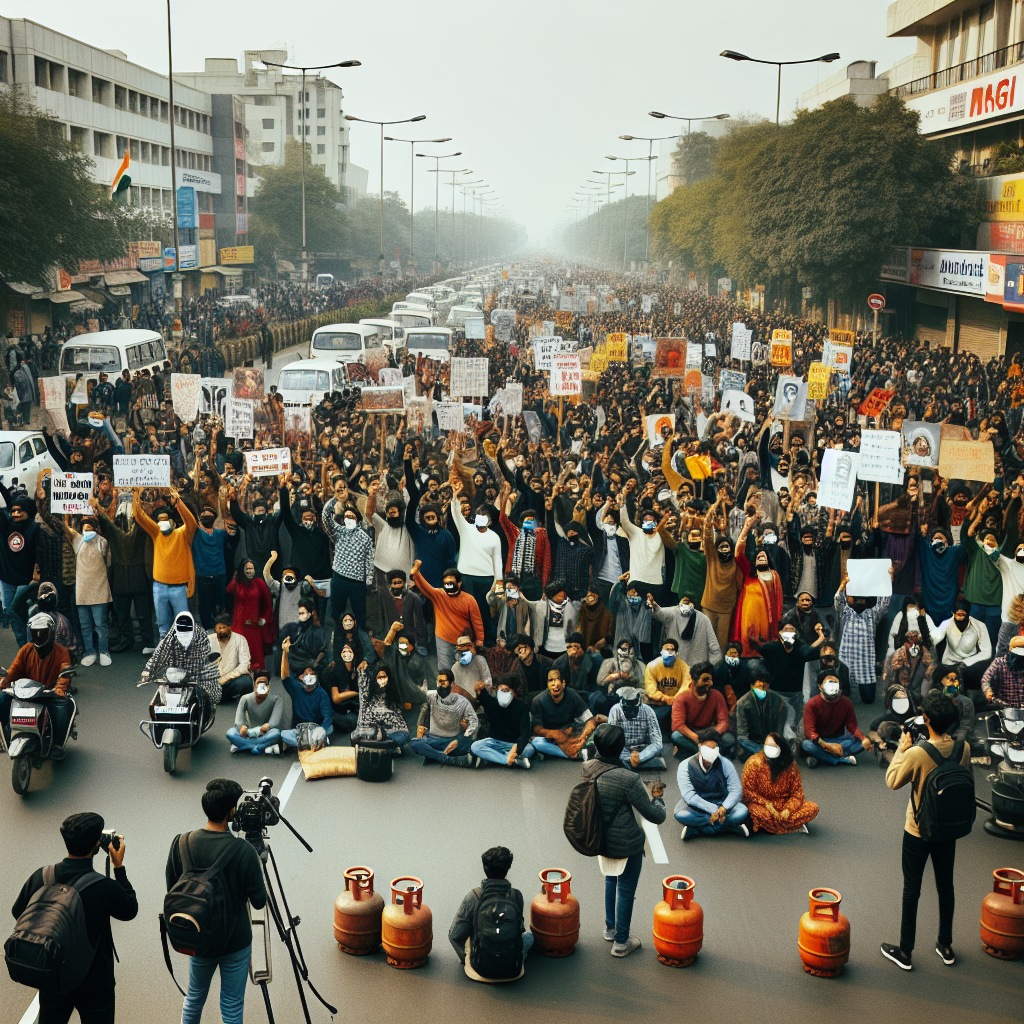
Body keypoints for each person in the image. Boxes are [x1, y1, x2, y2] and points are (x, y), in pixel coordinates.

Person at [12, 812, 137, 1024]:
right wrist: (119, 867)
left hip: (54, 974)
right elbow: (129, 910)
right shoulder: (104, 887)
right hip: (97, 983)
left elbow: (19, 912)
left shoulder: (42, 876)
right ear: (97, 845)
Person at [880, 691, 971, 971]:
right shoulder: (962, 747)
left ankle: (905, 951)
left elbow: (892, 780)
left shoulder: (919, 752)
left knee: (912, 889)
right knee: (946, 886)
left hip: (918, 829)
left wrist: (903, 748)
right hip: (948, 828)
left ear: (927, 719)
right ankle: (945, 944)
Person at [165, 779, 268, 1024]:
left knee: (194, 999)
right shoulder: (244, 851)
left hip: (199, 937)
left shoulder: (182, 842)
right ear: (231, 812)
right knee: (231, 1007)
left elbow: (173, 887)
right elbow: (259, 902)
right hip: (235, 941)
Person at [583, 723, 666, 957]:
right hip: (626, 844)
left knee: (611, 881)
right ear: (620, 748)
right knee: (626, 890)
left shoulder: (588, 767)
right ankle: (621, 942)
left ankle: (610, 928)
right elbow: (654, 816)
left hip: (601, 839)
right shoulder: (627, 778)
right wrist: (658, 799)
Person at [448, 846, 533, 982]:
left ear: (484, 868)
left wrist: (466, 960)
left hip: (479, 970)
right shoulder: (516, 895)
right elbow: (519, 930)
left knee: (471, 937)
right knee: (530, 937)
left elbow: (455, 935)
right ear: (508, 868)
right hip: (513, 971)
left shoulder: (474, 896)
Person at [133, 487, 197, 639]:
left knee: (184, 626)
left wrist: (178, 503)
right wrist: (136, 494)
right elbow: (139, 516)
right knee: (162, 628)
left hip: (179, 588)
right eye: (159, 519)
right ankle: (164, 659)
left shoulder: (182, 534)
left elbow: (192, 523)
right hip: (159, 586)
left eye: (165, 519)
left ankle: (184, 658)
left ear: (172, 521)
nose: (162, 522)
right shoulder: (156, 533)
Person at [0, 612, 73, 744]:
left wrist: (60, 688)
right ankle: (4, 736)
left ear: (50, 633)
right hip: (25, 692)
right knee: (2, 699)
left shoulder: (62, 651)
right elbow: (14, 670)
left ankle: (57, 744)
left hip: (48, 694)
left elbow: (65, 673)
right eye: (35, 633)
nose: (39, 636)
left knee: (65, 706)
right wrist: (4, 683)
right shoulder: (26, 650)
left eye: (42, 633)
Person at [450, 478, 503, 646]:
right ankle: (467, 642)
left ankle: (488, 643)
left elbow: (498, 562)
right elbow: (456, 514)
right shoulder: (467, 529)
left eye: (486, 516)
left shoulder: (494, 537)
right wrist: (455, 496)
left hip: (487, 580)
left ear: (490, 521)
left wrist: (498, 584)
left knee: (485, 613)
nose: (482, 518)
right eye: (480, 515)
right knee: (467, 612)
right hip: (466, 577)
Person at [674, 726, 750, 840]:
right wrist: (714, 810)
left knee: (742, 811)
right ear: (700, 746)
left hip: (722, 804)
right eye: (708, 747)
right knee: (680, 814)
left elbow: (736, 789)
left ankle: (699, 829)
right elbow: (689, 796)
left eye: (715, 748)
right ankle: (727, 827)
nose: (712, 751)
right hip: (698, 807)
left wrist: (724, 808)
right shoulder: (685, 766)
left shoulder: (725, 763)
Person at [410, 560, 483, 672]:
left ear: (459, 584)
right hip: (443, 638)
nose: (448, 586)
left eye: (451, 583)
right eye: (446, 583)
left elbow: (477, 621)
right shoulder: (439, 595)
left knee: (464, 670)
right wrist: (416, 574)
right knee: (444, 670)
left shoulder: (469, 600)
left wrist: (479, 641)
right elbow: (425, 587)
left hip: (463, 640)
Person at [61, 514, 112, 667]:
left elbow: (108, 563)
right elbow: (65, 529)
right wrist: (66, 514)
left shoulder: (102, 542)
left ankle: (104, 651)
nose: (87, 531)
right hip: (82, 591)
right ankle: (90, 652)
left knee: (100, 625)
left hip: (99, 589)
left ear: (96, 529)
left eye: (89, 528)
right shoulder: (78, 540)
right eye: (84, 529)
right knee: (85, 625)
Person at [741, 733, 819, 834]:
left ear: (781, 747)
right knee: (755, 812)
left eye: (773, 746)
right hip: (762, 805)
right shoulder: (754, 763)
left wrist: (788, 810)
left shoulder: (790, 765)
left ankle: (773, 827)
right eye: (767, 745)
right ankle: (791, 826)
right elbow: (748, 792)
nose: (769, 748)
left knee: (813, 808)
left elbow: (797, 794)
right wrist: (768, 806)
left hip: (783, 805)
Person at [141, 610, 222, 706]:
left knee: (212, 695)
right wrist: (147, 670)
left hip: (196, 674)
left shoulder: (201, 638)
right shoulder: (168, 640)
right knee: (159, 694)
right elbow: (157, 656)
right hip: (173, 675)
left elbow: (207, 655)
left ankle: (203, 710)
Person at [321, 499, 375, 630]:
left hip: (357, 583)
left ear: (358, 520)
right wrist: (336, 498)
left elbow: (369, 562)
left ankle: (359, 641)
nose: (348, 519)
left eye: (351, 517)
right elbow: (325, 518)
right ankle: (339, 640)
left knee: (360, 615)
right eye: (346, 517)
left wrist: (368, 582)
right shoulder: (339, 532)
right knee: (336, 613)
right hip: (339, 579)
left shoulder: (365, 538)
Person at [410, 668, 479, 766]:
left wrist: (461, 738)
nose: (439, 684)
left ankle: (432, 755)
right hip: (433, 739)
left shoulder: (462, 701)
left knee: (469, 742)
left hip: (453, 740)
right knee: (414, 742)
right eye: (438, 682)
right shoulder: (431, 696)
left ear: (451, 683)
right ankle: (446, 758)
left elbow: (474, 722)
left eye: (443, 682)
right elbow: (423, 706)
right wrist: (420, 724)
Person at [802, 672, 873, 767]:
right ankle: (841, 759)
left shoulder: (847, 702)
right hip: (820, 740)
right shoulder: (811, 704)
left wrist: (863, 739)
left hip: (839, 739)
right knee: (807, 745)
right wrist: (828, 746)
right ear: (820, 686)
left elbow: (852, 727)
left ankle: (820, 757)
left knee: (859, 742)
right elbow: (810, 732)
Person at [530, 666, 602, 759]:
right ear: (547, 685)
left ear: (563, 683)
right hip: (552, 737)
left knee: (598, 729)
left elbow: (589, 719)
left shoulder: (572, 694)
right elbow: (536, 729)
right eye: (550, 681)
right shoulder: (538, 700)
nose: (554, 684)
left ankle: (581, 749)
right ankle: (577, 754)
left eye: (557, 680)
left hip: (572, 733)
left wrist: (584, 736)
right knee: (537, 742)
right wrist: (555, 734)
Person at [670, 660, 734, 757]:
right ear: (693, 680)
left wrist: (715, 731)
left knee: (729, 739)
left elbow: (724, 721)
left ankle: (700, 753)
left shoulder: (717, 695)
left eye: (710, 680)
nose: (709, 683)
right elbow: (677, 725)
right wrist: (694, 736)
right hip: (692, 734)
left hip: (710, 732)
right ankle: (706, 752)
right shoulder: (681, 698)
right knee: (676, 736)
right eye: (705, 680)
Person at [471, 674, 535, 768]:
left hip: (513, 744)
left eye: (506, 690)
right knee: (475, 746)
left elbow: (525, 733)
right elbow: (483, 696)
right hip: (495, 742)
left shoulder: (522, 708)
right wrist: (479, 688)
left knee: (530, 749)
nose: (502, 693)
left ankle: (506, 756)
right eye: (500, 690)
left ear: (514, 691)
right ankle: (508, 760)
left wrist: (517, 748)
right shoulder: (493, 703)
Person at [279, 637, 332, 749]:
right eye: (307, 675)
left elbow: (327, 716)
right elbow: (285, 676)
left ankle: (312, 742)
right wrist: (285, 652)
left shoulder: (321, 694)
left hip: (315, 728)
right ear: (301, 678)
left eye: (312, 675)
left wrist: (322, 730)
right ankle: (309, 744)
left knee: (328, 729)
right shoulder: (297, 689)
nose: (309, 677)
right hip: (299, 729)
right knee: (284, 735)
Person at [648, 591, 721, 664]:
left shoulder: (704, 620)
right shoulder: (672, 613)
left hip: (696, 670)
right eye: (684, 602)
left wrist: (709, 669)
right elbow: (659, 613)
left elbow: (714, 649)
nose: (685, 605)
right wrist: (653, 605)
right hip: (675, 667)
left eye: (687, 602)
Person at [226, 560, 273, 671]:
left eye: (251, 568)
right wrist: (235, 578)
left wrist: (264, 618)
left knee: (255, 652)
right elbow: (228, 590)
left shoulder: (259, 582)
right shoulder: (238, 582)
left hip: (253, 623)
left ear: (255, 570)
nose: (249, 571)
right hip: (238, 623)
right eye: (247, 568)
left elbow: (268, 602)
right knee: (238, 650)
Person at [351, 664, 410, 749]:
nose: (382, 679)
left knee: (401, 737)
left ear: (388, 678)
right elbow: (362, 687)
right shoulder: (369, 696)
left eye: (384, 677)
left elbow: (398, 718)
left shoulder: (392, 696)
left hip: (391, 730)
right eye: (379, 677)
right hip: (371, 727)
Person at [226, 667, 282, 754]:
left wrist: (267, 726)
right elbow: (239, 719)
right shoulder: (245, 698)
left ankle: (244, 746)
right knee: (230, 733)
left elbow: (275, 721)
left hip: (265, 732)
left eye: (265, 684)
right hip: (248, 732)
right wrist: (242, 727)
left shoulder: (276, 699)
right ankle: (258, 747)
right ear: (255, 685)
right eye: (259, 683)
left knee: (276, 733)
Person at [734, 676, 793, 760]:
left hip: (771, 740)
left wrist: (775, 743)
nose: (762, 689)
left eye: (765, 686)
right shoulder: (742, 703)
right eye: (759, 686)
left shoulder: (778, 702)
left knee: (786, 752)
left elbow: (779, 731)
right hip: (752, 741)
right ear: (752, 686)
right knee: (744, 746)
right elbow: (742, 735)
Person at [606, 687, 665, 769]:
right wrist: (629, 757)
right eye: (626, 709)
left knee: (658, 757)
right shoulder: (615, 711)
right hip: (623, 750)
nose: (630, 712)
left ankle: (630, 765)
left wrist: (640, 757)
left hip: (643, 750)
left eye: (633, 708)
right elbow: (613, 742)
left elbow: (657, 742)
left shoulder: (648, 711)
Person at [643, 637, 690, 728]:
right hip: (658, 704)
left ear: (676, 652)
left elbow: (687, 685)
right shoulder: (652, 666)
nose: (669, 651)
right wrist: (664, 698)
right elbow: (650, 690)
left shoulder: (684, 666)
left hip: (678, 704)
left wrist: (675, 699)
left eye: (672, 649)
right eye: (666, 649)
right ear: (661, 651)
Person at [212, 614, 253, 702]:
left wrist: (226, 677)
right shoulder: (209, 639)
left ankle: (245, 703)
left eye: (224, 627)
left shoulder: (240, 640)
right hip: (212, 682)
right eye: (219, 628)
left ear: (230, 627)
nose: (221, 630)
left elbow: (245, 664)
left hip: (229, 681)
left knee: (247, 681)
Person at [981, 633, 1024, 705]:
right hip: (1002, 706)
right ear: (1010, 651)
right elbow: (985, 679)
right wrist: (987, 690)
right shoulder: (998, 663)